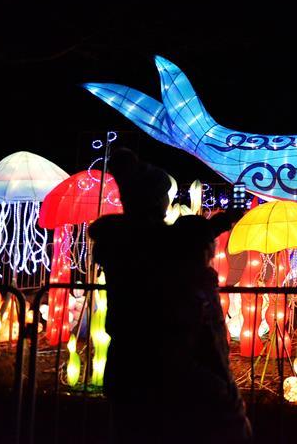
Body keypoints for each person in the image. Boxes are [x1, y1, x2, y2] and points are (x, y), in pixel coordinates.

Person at [89, 149, 250, 443]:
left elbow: (180, 239)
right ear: (155, 200)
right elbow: (180, 241)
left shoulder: (121, 244)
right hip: (168, 365)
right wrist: (227, 220)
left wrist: (219, 223)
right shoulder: (159, 245)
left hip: (127, 365)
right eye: (164, 194)